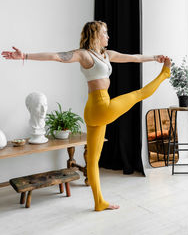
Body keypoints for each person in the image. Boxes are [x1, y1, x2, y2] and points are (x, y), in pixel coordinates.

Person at [1, 20, 171, 211]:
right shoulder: (84, 55)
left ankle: (99, 202)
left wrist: (155, 57)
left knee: (93, 160)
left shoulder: (107, 55)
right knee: (138, 94)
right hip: (100, 107)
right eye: (105, 33)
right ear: (96, 35)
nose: (108, 36)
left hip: (96, 109)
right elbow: (56, 56)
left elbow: (133, 58)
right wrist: (24, 55)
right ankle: (164, 75)